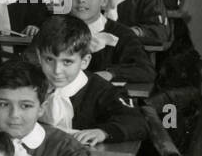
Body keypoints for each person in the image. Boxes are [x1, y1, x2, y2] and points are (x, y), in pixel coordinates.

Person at [31, 16, 146, 146]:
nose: (57, 70)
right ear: (39, 57)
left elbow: (136, 121)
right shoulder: (28, 83)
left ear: (85, 61)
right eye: (49, 60)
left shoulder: (102, 90)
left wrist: (103, 132)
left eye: (67, 62)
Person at [66, 0, 155, 84]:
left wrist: (111, 73)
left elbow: (145, 70)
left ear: (104, 0)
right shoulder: (56, 30)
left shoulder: (122, 34)